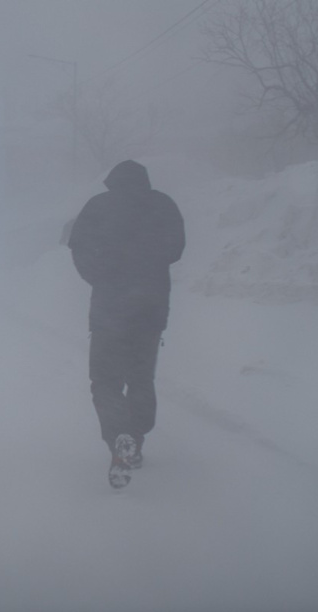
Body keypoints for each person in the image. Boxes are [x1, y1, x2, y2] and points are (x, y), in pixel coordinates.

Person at [68, 160, 185, 489]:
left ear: (112, 181)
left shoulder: (99, 205)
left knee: (105, 381)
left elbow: (77, 246)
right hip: (151, 310)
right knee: (140, 378)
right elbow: (176, 250)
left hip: (110, 310)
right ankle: (135, 440)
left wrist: (99, 276)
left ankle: (119, 435)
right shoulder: (163, 204)